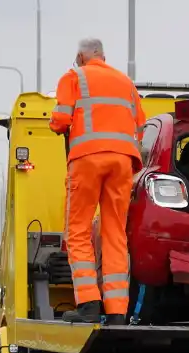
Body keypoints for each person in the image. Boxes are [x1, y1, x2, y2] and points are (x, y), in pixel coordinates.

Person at [49, 37, 148, 325]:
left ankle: (89, 303)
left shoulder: (74, 77)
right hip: (122, 162)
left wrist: (56, 123)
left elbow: (60, 120)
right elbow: (140, 126)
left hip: (87, 159)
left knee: (78, 231)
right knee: (115, 233)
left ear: (81, 55)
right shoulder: (126, 83)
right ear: (103, 56)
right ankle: (117, 309)